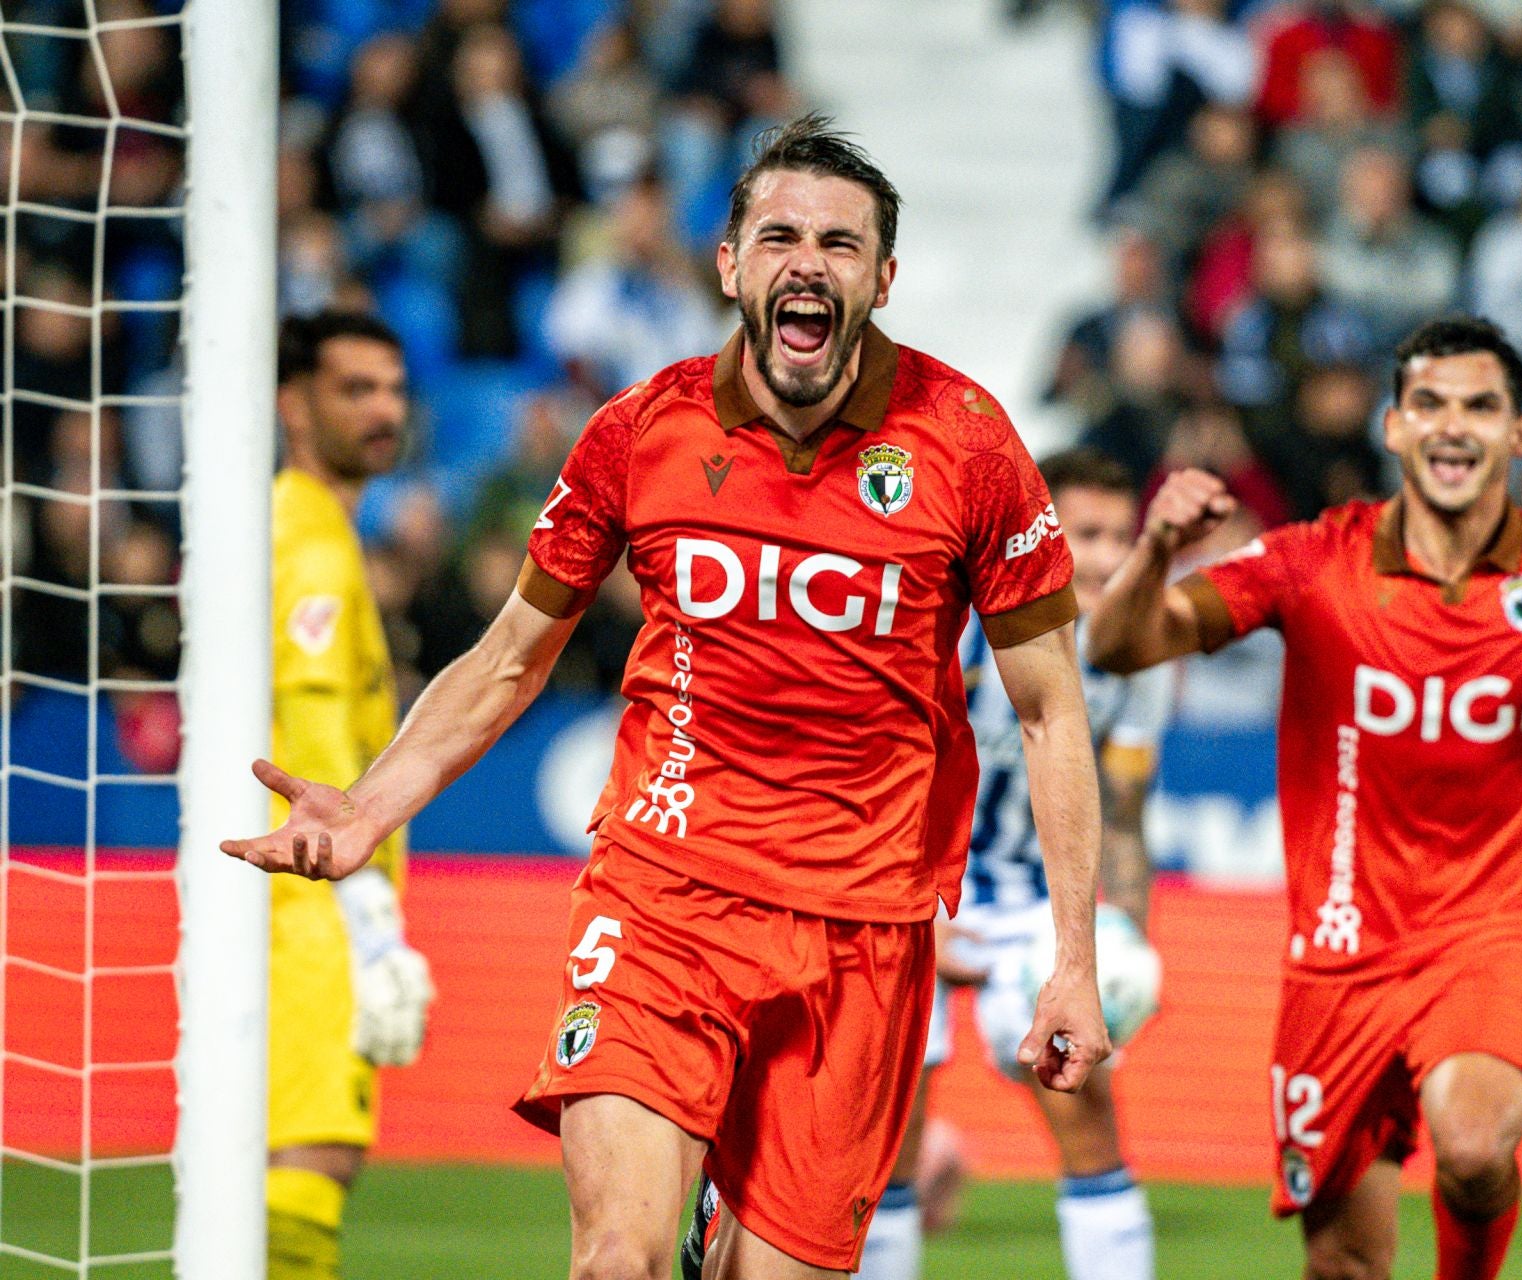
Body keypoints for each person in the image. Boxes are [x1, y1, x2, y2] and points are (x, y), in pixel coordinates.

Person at [223, 114, 1110, 1280]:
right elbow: (510, 656)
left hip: (863, 929)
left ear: (883, 279)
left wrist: (1075, 957)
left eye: (840, 244)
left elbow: (1049, 710)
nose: (808, 263)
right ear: (730, 263)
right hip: (663, 898)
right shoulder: (641, 431)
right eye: (780, 237)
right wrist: (367, 806)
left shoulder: (969, 444)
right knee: (618, 1260)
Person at [1086, 314, 1522, 1280]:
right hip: (1342, 954)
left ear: (1520, 432)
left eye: (1480, 406)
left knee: (1471, 1145)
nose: (1452, 425)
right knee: (1343, 1265)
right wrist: (1156, 548)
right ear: (1394, 427)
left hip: (1504, 930)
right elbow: (1123, 644)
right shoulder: (1314, 560)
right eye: (1428, 403)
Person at [855, 449, 1173, 1280]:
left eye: (1121, 536)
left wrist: (1118, 942)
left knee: (1089, 1119)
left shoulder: (1139, 653)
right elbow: (881, 771)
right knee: (888, 1141)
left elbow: (1126, 816)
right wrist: (916, 912)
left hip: (1036, 900)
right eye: (1087, 534)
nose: (1107, 557)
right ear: (1039, 534)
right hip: (909, 890)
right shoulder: (957, 624)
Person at [265, 311, 435, 1280]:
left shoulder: (307, 531)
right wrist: (366, 917)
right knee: (311, 1155)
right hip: (309, 905)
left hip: (297, 898)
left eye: (395, 389)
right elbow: (316, 728)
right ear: (294, 405)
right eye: (355, 389)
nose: (384, 410)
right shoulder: (315, 549)